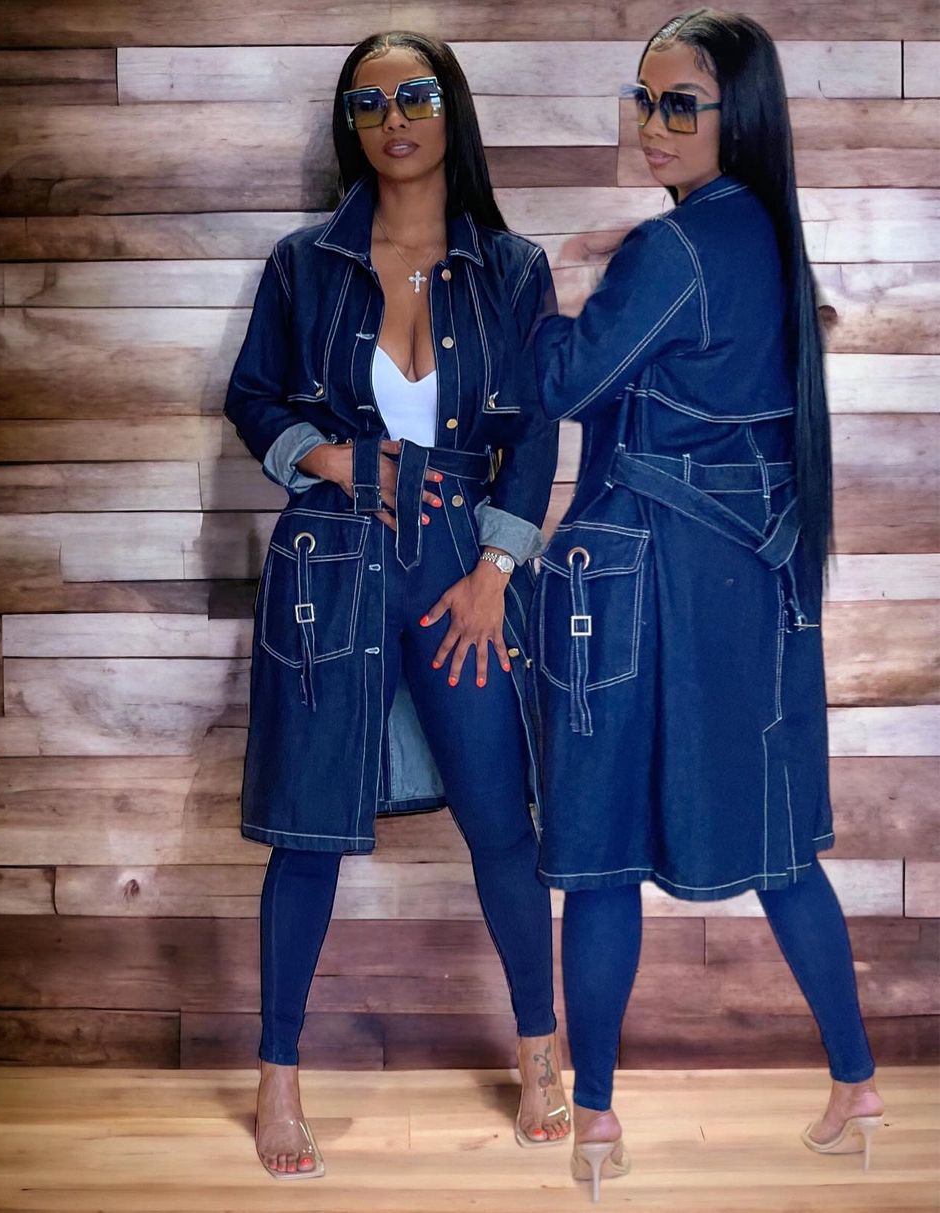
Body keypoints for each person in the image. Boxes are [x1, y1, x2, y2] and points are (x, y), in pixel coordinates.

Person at [530, 9, 884, 1200]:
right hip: (758, 587)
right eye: (643, 99)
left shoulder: (671, 251)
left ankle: (595, 1121)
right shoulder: (771, 240)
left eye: (680, 103)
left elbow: (567, 383)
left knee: (600, 852)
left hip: (638, 580)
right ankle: (856, 1082)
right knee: (780, 846)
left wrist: (541, 297)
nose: (653, 123)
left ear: (740, 113)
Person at [224, 30, 568, 1180]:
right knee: (308, 826)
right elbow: (252, 396)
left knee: (500, 819)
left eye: (415, 95)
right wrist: (328, 458)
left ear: (449, 110)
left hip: (461, 566)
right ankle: (279, 1078)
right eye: (368, 103)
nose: (394, 118)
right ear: (350, 125)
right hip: (331, 568)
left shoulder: (511, 268)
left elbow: (534, 433)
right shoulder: (303, 263)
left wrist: (496, 570)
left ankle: (540, 1050)